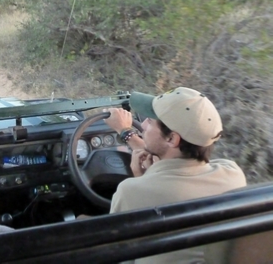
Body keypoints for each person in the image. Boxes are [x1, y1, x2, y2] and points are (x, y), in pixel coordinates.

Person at [103, 87, 247, 263]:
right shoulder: (233, 174)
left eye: (151, 120)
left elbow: (115, 255)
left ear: (172, 139)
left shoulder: (130, 191)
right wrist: (127, 133)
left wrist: (141, 180)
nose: (144, 124)